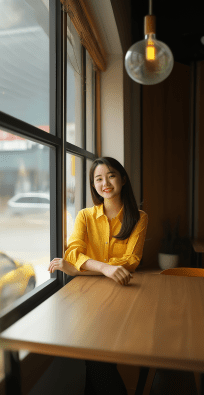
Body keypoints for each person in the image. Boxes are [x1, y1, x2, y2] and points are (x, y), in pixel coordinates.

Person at [48, 156, 148, 395]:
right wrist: (104, 268)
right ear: (93, 185)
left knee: (97, 355)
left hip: (122, 295)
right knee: (96, 354)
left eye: (111, 176)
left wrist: (82, 268)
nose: (106, 183)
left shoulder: (139, 217)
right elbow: (72, 252)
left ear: (123, 179)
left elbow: (131, 261)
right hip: (86, 297)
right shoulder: (85, 216)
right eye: (99, 179)